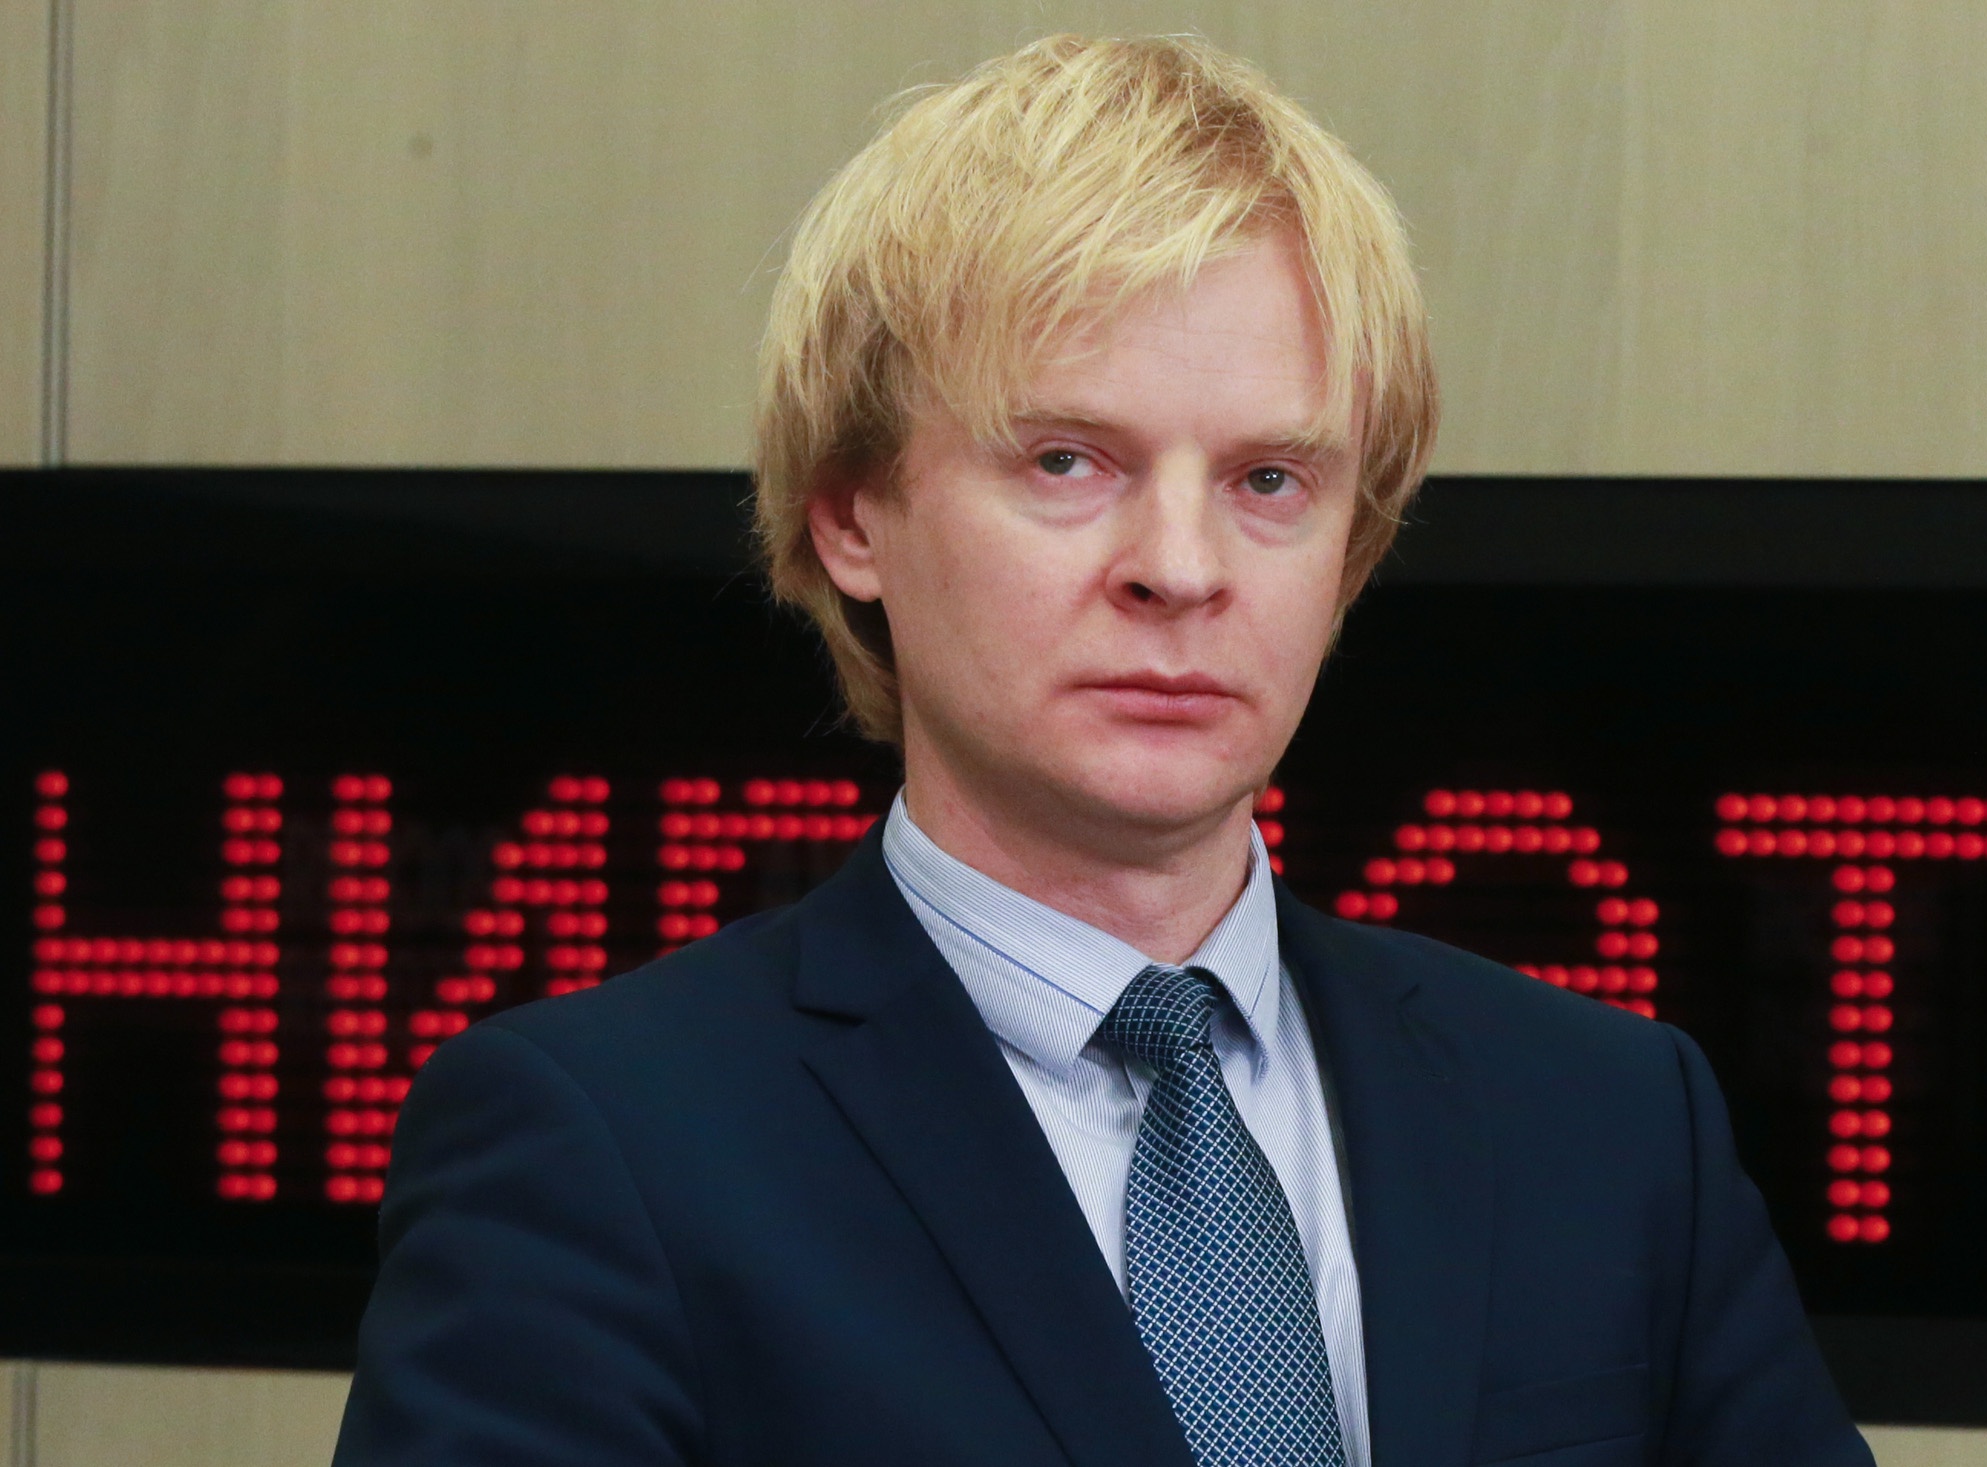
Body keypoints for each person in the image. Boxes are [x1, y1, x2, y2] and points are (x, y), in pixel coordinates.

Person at [333, 34, 1873, 1467]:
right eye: (1068, 461)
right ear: (854, 516)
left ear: (1354, 547)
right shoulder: (598, 1148)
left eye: (1270, 481)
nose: (1181, 568)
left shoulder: (1613, 1120)